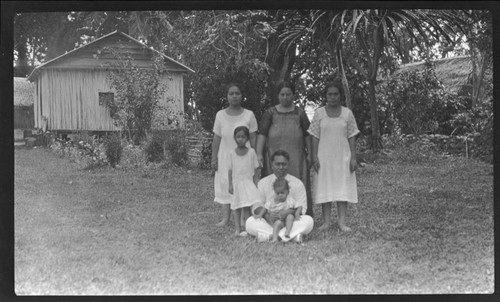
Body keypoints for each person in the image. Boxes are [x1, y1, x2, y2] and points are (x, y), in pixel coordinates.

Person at [255, 81, 313, 217]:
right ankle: (272, 214)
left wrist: (310, 153)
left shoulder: (300, 113)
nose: (285, 97)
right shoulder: (270, 113)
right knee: (275, 183)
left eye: (288, 94)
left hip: (296, 157)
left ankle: (298, 213)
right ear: (278, 95)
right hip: (273, 156)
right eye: (282, 94)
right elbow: (262, 134)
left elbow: (307, 135)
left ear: (293, 95)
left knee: (297, 183)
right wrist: (258, 154)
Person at [309, 80, 360, 232]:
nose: (332, 97)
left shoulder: (347, 114)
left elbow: (351, 136)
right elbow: (314, 136)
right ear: (325, 96)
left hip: (343, 156)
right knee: (326, 187)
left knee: (342, 187)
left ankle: (342, 223)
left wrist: (353, 157)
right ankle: (326, 223)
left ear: (340, 96)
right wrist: (314, 156)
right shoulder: (319, 113)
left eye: (335, 94)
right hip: (324, 157)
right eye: (329, 94)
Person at [211, 83, 258, 227]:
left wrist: (255, 156)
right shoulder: (220, 115)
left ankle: (244, 219)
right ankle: (226, 219)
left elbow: (254, 138)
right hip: (225, 156)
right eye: (231, 93)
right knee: (225, 184)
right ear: (227, 96)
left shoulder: (249, 115)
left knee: (243, 185)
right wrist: (214, 158)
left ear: (242, 96)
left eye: (237, 93)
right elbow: (216, 139)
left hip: (244, 157)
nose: (234, 96)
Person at [246, 150, 314, 243]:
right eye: (277, 164)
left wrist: (287, 212)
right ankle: (289, 236)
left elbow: (303, 209)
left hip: (290, 222)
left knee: (309, 220)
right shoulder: (263, 183)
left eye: (284, 164)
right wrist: (268, 215)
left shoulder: (297, 183)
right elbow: (256, 206)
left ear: (288, 165)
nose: (281, 167)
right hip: (269, 221)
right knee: (249, 222)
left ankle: (269, 236)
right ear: (272, 165)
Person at [228, 126, 261, 237]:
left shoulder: (251, 152)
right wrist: (230, 184)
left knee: (246, 206)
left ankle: (247, 229)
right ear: (235, 138)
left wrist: (256, 181)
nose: (240, 139)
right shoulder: (232, 153)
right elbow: (230, 170)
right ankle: (237, 229)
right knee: (236, 207)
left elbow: (256, 168)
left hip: (247, 182)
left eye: (243, 137)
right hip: (237, 183)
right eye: (238, 137)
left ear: (247, 138)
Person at [254, 177, 302, 243]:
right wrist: (260, 215)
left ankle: (286, 233)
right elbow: (265, 208)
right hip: (275, 223)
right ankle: (275, 238)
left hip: (287, 223)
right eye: (277, 193)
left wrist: (297, 214)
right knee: (250, 222)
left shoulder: (290, 200)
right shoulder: (271, 201)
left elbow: (300, 207)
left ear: (288, 192)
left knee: (291, 216)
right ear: (274, 192)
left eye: (282, 193)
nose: (280, 195)